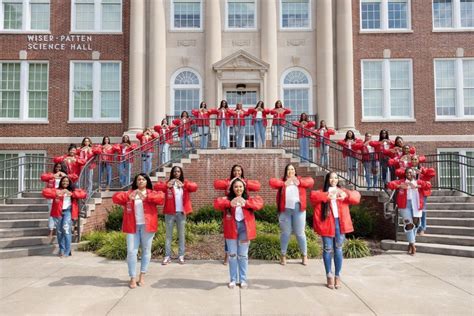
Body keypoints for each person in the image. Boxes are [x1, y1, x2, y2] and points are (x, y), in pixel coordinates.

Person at [112, 173, 165, 288]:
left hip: (147, 226)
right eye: (138, 179)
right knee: (131, 251)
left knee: (146, 250)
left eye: (143, 179)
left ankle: (142, 275)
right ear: (136, 182)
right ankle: (132, 277)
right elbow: (115, 197)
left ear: (147, 181)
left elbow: (161, 199)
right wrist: (128, 197)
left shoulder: (152, 193)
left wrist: (145, 197)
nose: (141, 181)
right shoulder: (130, 193)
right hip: (132, 226)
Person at [310, 172, 361, 289]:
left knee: (338, 248)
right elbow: (313, 197)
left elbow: (356, 197)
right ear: (327, 180)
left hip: (340, 224)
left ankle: (337, 275)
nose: (334, 179)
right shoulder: (322, 192)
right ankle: (329, 275)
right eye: (331, 178)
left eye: (336, 178)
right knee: (327, 249)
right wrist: (327, 196)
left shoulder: (342, 191)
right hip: (327, 224)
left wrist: (346, 195)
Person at [214, 178, 264, 289]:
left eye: (240, 186)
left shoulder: (249, 199)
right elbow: (217, 203)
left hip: (244, 230)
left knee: (243, 256)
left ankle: (242, 280)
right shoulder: (228, 199)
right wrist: (229, 203)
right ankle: (232, 279)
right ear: (232, 188)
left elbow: (259, 204)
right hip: (231, 229)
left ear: (244, 188)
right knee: (232, 255)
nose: (238, 189)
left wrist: (245, 203)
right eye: (236, 186)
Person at [214, 165, 261, 265]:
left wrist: (243, 182)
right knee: (230, 234)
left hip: (243, 207)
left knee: (242, 243)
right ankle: (227, 254)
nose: (237, 173)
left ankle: (241, 257)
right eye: (235, 171)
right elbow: (216, 184)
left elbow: (258, 186)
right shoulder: (229, 182)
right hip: (230, 207)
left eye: (239, 171)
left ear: (242, 172)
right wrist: (231, 182)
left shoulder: (244, 182)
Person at [269, 164, 314, 266]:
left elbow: (311, 181)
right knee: (285, 233)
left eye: (292, 169)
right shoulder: (283, 182)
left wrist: (299, 182)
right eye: (289, 169)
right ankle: (283, 255)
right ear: (286, 172)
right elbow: (272, 182)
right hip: (285, 211)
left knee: (300, 233)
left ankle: (304, 255)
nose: (291, 171)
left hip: (299, 210)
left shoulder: (299, 180)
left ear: (295, 171)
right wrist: (285, 183)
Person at [154, 166, 198, 265]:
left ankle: (181, 256)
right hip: (170, 213)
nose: (176, 173)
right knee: (168, 236)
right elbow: (156, 187)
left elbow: (195, 187)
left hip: (181, 213)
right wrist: (167, 185)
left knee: (181, 235)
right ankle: (167, 256)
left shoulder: (185, 184)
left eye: (178, 171)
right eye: (174, 172)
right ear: (172, 173)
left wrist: (184, 185)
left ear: (181, 173)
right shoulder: (169, 184)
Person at [387, 168, 430, 255]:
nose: (408, 174)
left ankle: (410, 243)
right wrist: (399, 186)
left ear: (414, 173)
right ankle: (413, 245)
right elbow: (390, 184)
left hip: (416, 205)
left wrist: (418, 186)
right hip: (404, 205)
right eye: (407, 173)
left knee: (416, 224)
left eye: (410, 172)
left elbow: (428, 185)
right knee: (409, 224)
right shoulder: (402, 181)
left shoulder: (418, 181)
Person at [42, 176, 87, 257]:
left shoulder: (72, 191)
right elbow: (45, 192)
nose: (65, 183)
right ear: (60, 182)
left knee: (66, 231)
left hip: (67, 212)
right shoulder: (57, 190)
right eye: (63, 181)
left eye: (67, 181)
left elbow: (83, 194)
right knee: (59, 232)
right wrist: (59, 192)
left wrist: (72, 194)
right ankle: (61, 249)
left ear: (69, 183)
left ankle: (67, 251)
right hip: (57, 213)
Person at [40, 162, 68, 240]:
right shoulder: (51, 176)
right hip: (52, 197)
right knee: (51, 214)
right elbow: (43, 177)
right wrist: (53, 175)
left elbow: (71, 181)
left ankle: (60, 230)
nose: (58, 169)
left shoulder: (65, 177)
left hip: (61, 198)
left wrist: (64, 175)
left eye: (60, 167)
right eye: (56, 167)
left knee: (60, 214)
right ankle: (51, 231)